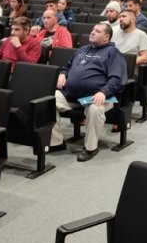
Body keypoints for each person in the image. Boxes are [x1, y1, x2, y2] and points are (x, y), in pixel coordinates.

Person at [50, 23, 127, 162]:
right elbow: (67, 67)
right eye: (93, 30)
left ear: (106, 37)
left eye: (97, 31)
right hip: (71, 95)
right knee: (48, 101)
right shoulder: (82, 49)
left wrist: (104, 92)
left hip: (99, 96)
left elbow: (117, 78)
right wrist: (62, 74)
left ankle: (91, 148)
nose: (92, 32)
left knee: (95, 109)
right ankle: (56, 142)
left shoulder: (113, 52)